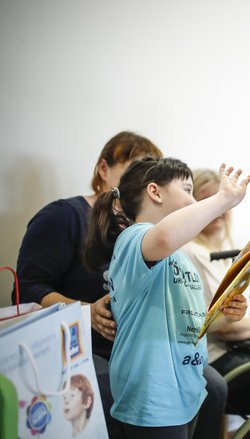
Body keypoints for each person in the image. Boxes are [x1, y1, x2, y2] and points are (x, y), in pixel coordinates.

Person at [84, 156, 250, 439]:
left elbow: (193, 323)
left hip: (184, 389)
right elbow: (161, 238)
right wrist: (222, 199)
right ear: (154, 191)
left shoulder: (179, 256)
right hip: (153, 393)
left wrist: (226, 312)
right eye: (187, 189)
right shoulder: (133, 238)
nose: (194, 198)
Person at [14, 131, 163, 438]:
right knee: (107, 391)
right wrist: (86, 312)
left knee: (210, 386)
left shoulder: (149, 231)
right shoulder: (63, 217)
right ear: (103, 170)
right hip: (76, 348)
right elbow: (27, 289)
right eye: (131, 169)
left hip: (133, 347)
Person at [181, 168, 250, 378]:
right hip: (211, 357)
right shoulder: (190, 252)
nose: (219, 209)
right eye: (208, 200)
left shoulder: (228, 250)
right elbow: (220, 327)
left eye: (223, 202)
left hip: (238, 346)